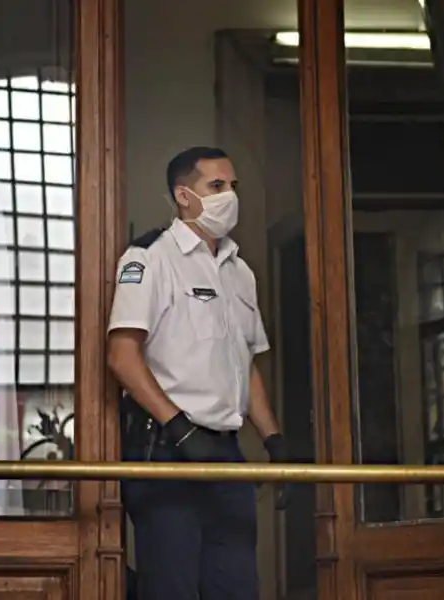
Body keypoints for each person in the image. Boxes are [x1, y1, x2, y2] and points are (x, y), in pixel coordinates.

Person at [107, 146, 289, 600]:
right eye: (217, 186)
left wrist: (274, 441)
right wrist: (180, 427)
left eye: (233, 186)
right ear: (183, 195)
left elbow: (244, 363)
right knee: (172, 588)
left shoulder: (239, 271)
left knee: (237, 588)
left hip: (225, 457)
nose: (230, 196)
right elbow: (122, 356)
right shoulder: (149, 258)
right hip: (167, 455)